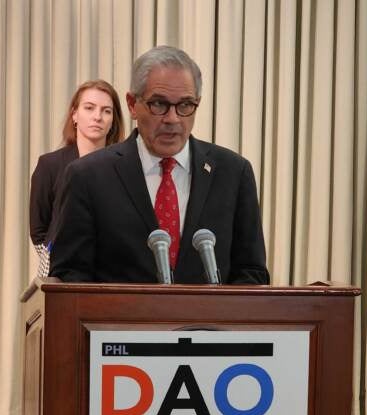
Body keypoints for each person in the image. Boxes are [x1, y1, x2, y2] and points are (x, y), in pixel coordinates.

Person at [48, 45, 269, 284]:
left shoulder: (233, 173)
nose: (172, 118)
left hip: (209, 322)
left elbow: (251, 273)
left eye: (185, 105)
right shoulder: (88, 176)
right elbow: (70, 277)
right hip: (118, 321)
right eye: (159, 104)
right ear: (132, 104)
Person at [29, 79, 126, 276]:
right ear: (74, 115)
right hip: (59, 273)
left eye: (106, 111)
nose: (97, 117)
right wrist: (58, 256)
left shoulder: (125, 168)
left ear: (113, 121)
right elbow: (39, 230)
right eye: (89, 108)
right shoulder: (50, 165)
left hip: (113, 274)